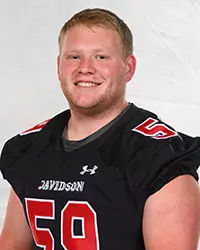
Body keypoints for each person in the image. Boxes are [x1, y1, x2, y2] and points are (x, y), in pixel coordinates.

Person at [0, 8, 200, 250]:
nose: (85, 68)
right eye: (74, 57)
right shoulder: (29, 147)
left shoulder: (158, 156)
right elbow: (12, 244)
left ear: (128, 68)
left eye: (101, 57)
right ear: (58, 66)